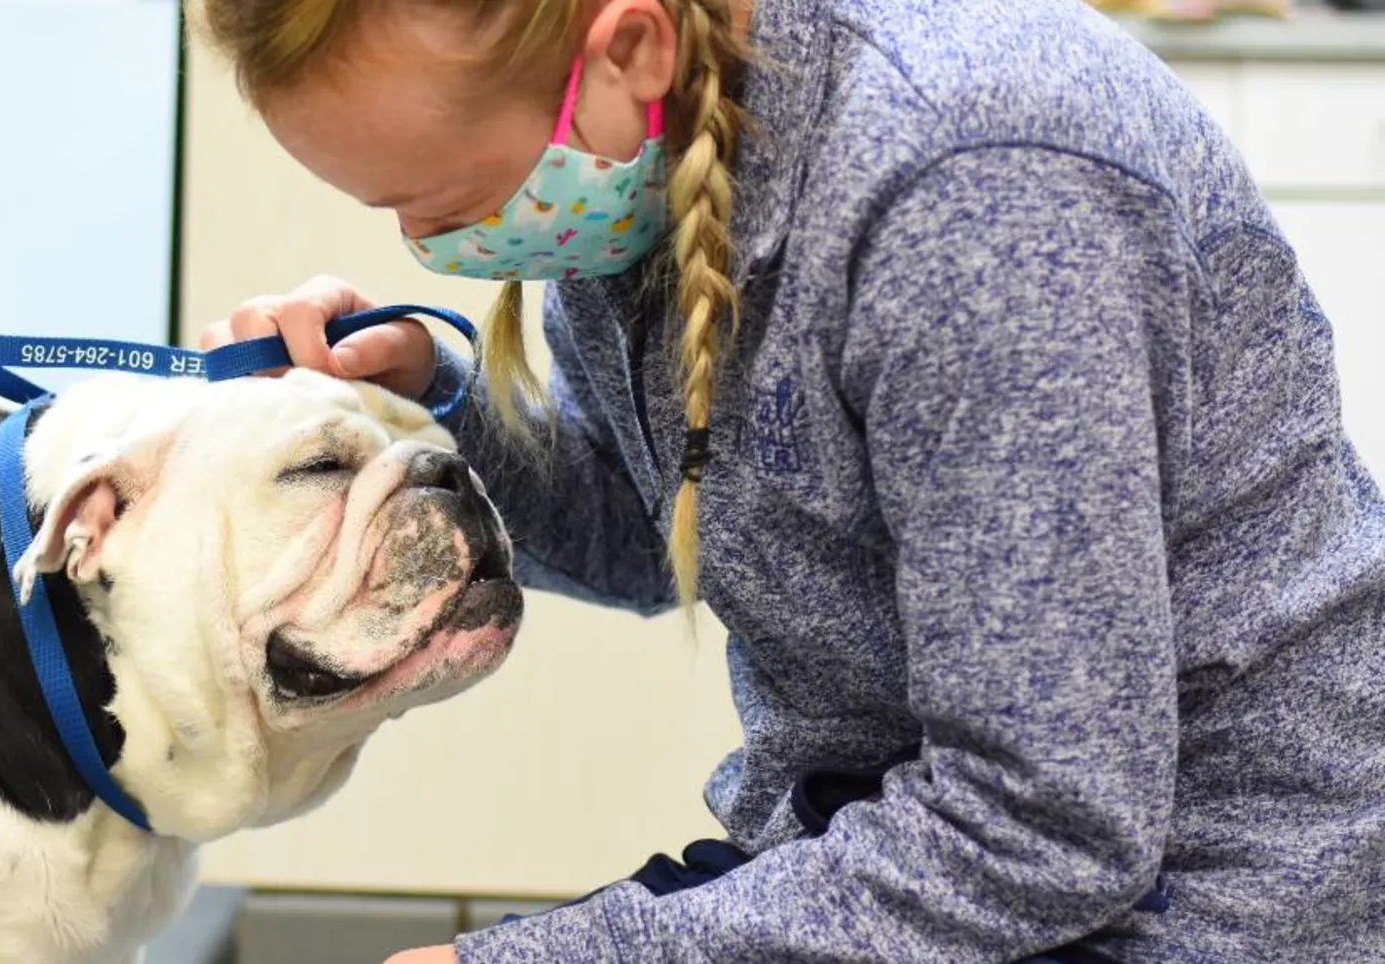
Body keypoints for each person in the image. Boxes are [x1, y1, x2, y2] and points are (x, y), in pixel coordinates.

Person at [191, 0, 1385, 961]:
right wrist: (433, 396)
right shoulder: (652, 155)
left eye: (445, 204)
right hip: (909, 838)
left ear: (630, 47)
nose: (432, 245)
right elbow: (662, 527)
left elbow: (1045, 829)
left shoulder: (975, 196)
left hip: (1215, 896)